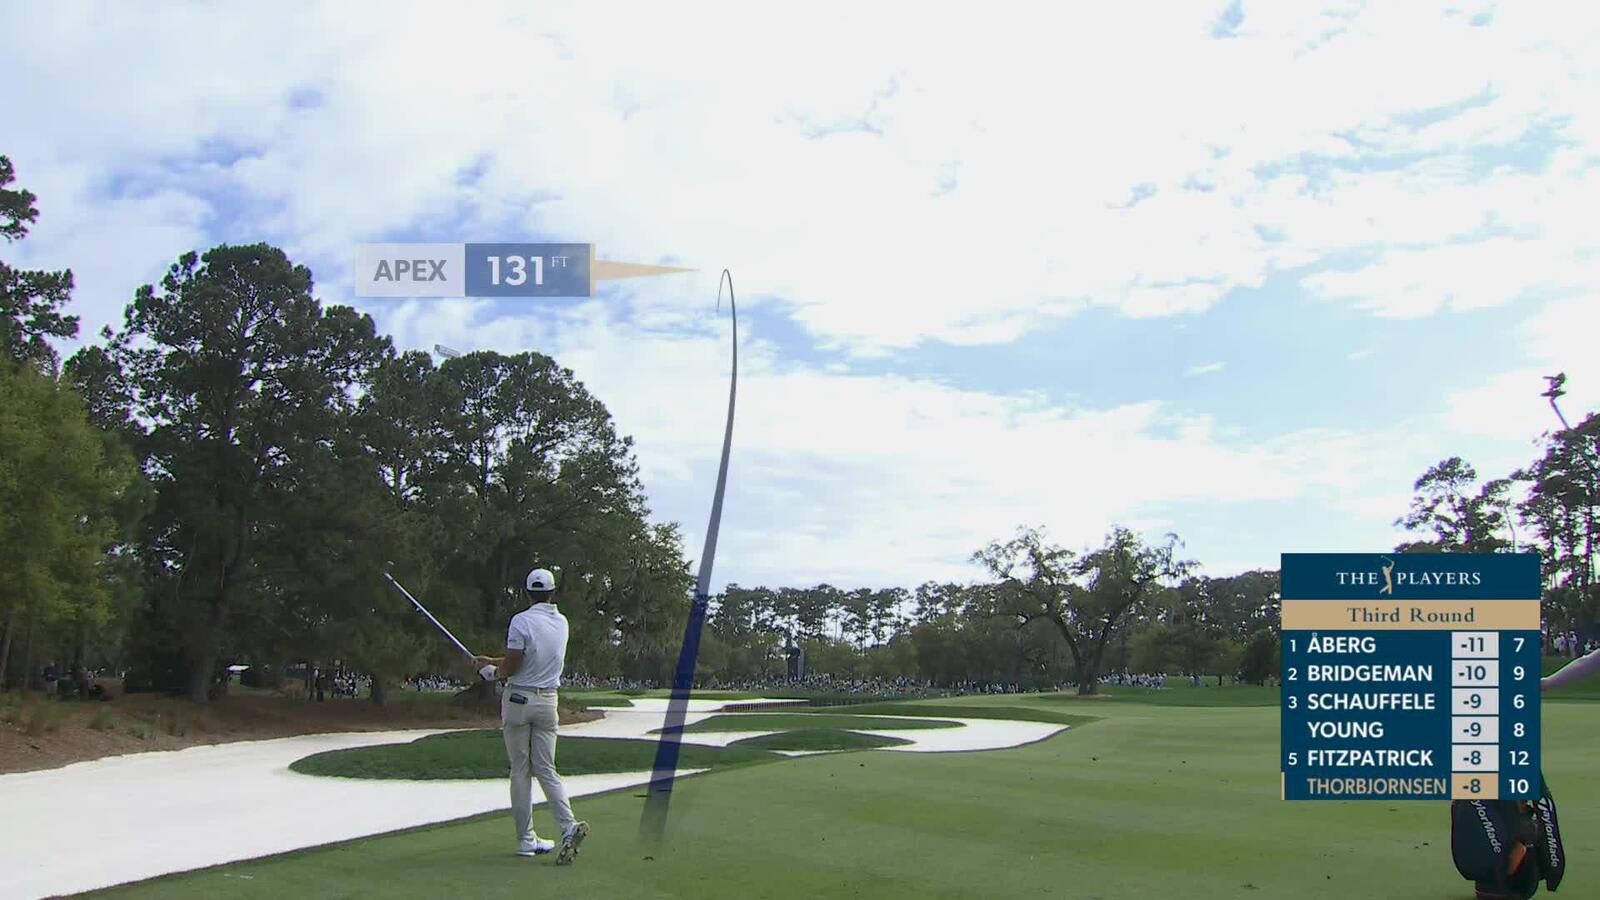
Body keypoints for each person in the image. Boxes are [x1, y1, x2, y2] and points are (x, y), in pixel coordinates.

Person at [475, 567, 590, 863]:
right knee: (546, 768)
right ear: (553, 592)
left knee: (520, 770)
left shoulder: (521, 621)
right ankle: (567, 826)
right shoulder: (562, 623)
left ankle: (526, 839)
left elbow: (513, 665)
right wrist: (495, 660)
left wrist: (491, 672)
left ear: (527, 592)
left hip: (518, 700)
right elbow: (526, 658)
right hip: (548, 702)